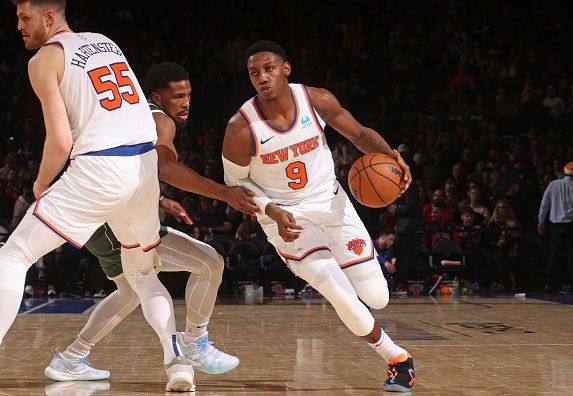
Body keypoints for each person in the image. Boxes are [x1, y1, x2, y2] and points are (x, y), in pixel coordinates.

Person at [2, 1, 189, 391]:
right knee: (140, 273)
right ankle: (177, 364)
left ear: (49, 17)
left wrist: (40, 185)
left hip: (103, 167)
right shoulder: (105, 42)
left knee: (14, 255)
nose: (18, 25)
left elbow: (61, 141)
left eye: (25, 17)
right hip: (143, 167)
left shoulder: (43, 60)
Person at [44, 62, 258, 383]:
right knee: (153, 277)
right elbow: (166, 168)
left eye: (189, 95)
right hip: (111, 218)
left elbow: (125, 165)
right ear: (157, 97)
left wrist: (158, 200)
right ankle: (182, 354)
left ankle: (72, 357)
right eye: (178, 97)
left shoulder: (134, 115)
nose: (186, 103)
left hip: (106, 207)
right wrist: (225, 194)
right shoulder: (159, 120)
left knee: (149, 284)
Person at [222, 40, 414, 393]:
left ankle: (387, 340)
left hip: (333, 203)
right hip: (287, 220)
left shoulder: (316, 100)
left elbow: (358, 134)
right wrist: (271, 210)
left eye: (268, 69)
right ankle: (397, 358)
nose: (262, 77)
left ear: (286, 69)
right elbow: (236, 188)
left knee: (377, 297)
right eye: (254, 73)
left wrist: (391, 154)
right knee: (341, 296)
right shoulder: (240, 127)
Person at [538, 162, 573, 292]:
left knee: (554, 253)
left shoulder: (553, 184)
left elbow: (545, 204)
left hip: (557, 224)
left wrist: (541, 221)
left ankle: (550, 283)